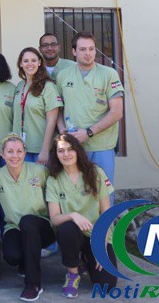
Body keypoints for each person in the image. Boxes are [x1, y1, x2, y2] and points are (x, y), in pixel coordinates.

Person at [46, 134, 117, 299]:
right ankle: (72, 274)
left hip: (97, 234)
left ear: (78, 150)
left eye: (70, 149)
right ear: (56, 154)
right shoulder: (53, 179)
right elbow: (54, 218)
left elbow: (106, 214)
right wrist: (73, 215)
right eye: (61, 151)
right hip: (73, 234)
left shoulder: (96, 172)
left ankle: (87, 257)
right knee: (65, 229)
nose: (66, 154)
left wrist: (101, 246)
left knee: (106, 286)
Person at [56, 32, 124, 202]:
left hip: (102, 146)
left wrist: (88, 133)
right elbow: (57, 109)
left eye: (92, 49)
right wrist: (62, 131)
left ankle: (106, 229)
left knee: (103, 194)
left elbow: (117, 112)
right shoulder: (63, 76)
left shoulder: (109, 74)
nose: (88, 53)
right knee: (77, 194)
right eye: (83, 49)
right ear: (73, 52)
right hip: (73, 147)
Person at [0, 134, 55, 302]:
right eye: (10, 151)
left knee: (28, 221)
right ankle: (24, 261)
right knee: (11, 256)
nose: (15, 156)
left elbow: (55, 194)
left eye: (19, 151)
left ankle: (33, 284)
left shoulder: (39, 171)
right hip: (15, 227)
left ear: (25, 153)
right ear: (3, 154)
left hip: (42, 227)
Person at [13, 47, 63, 165]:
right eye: (26, 61)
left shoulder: (48, 87)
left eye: (33, 60)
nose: (30, 64)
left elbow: (52, 120)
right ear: (20, 63)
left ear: (40, 62)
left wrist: (45, 150)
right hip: (19, 149)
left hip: (38, 150)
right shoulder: (20, 86)